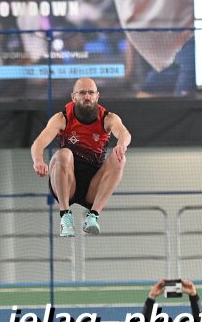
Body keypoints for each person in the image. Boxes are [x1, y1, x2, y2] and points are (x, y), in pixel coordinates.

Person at [30, 77, 132, 238]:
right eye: (82, 93)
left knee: (120, 158)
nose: (87, 96)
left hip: (92, 187)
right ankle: (65, 216)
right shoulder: (62, 118)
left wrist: (122, 145)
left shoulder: (108, 118)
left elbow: (124, 133)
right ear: (73, 97)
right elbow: (38, 143)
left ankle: (93, 215)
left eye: (91, 92)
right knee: (64, 154)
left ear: (97, 96)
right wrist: (38, 161)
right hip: (66, 182)